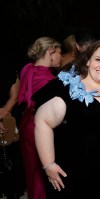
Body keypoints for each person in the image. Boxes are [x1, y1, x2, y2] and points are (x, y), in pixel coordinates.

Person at [33, 39, 100, 198]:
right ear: (88, 60)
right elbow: (42, 120)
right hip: (76, 175)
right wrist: (48, 164)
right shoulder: (71, 89)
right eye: (98, 59)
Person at [18, 36, 62, 199]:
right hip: (39, 127)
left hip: (27, 124)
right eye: (59, 52)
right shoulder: (47, 79)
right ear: (50, 51)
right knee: (42, 174)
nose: (61, 57)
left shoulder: (27, 69)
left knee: (33, 172)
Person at [0, 53, 25, 199]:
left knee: (10, 159)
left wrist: (3, 114)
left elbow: (15, 95)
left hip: (8, 119)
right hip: (7, 114)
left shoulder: (7, 62)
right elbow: (14, 95)